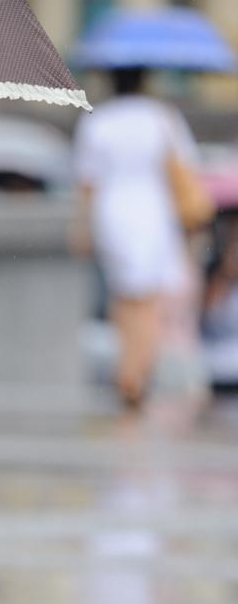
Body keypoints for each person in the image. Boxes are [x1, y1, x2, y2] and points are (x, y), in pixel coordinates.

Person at [72, 66, 210, 409]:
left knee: (124, 297)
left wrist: (83, 225)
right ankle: (136, 374)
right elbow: (184, 167)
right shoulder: (162, 118)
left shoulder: (98, 120)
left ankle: (128, 370)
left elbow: (88, 181)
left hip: (112, 213)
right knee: (148, 300)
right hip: (153, 214)